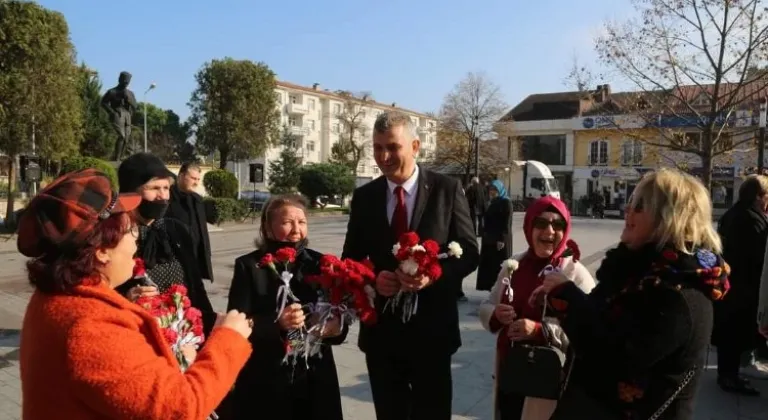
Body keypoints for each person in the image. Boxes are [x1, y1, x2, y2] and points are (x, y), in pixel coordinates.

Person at [17, 168, 253, 419]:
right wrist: (228, 339)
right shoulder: (91, 326)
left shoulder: (60, 297)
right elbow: (181, 408)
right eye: (129, 230)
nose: (136, 239)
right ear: (101, 251)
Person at [537, 168, 730, 420]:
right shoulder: (634, 272)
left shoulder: (678, 292)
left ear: (668, 218)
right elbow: (599, 319)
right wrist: (560, 298)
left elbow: (614, 359)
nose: (628, 212)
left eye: (639, 206)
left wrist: (568, 297)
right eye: (630, 203)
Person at [342, 111, 479, 420]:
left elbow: (469, 253)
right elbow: (349, 260)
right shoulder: (365, 197)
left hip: (432, 335)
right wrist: (373, 280)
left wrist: (433, 277)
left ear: (415, 146)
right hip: (382, 338)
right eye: (377, 148)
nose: (384, 156)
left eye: (392, 147)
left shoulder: (446, 189)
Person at [227, 195, 347, 420]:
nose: (295, 230)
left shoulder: (321, 264)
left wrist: (336, 327)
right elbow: (236, 326)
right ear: (267, 227)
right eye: (286, 222)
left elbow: (339, 314)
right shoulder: (250, 266)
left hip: (315, 376)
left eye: (301, 222)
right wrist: (277, 323)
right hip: (267, 377)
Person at [479, 196, 594, 420]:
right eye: (541, 223)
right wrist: (496, 314)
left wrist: (540, 330)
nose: (549, 231)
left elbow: (591, 328)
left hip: (547, 382)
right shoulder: (514, 264)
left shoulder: (573, 273)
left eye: (557, 224)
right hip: (510, 373)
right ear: (529, 227)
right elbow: (488, 304)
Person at [116, 153, 217, 335]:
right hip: (137, 335)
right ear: (131, 191)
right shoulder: (115, 236)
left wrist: (210, 326)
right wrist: (125, 299)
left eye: (166, 188)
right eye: (154, 188)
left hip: (184, 335)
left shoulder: (176, 230)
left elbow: (196, 287)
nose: (162, 196)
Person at [715, 174, 768, 393]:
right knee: (735, 334)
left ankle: (727, 374)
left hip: (730, 285)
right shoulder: (751, 219)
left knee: (729, 333)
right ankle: (730, 377)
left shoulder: (733, 213)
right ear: (758, 196)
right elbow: (759, 256)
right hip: (743, 287)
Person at [166, 162, 214, 282]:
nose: (196, 183)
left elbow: (202, 232)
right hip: (175, 262)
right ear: (181, 176)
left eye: (198, 179)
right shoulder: (167, 199)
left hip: (196, 262)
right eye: (193, 178)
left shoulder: (197, 201)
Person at [476, 180, 514, 292]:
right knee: (490, 265)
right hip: (489, 239)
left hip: (500, 240)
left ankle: (500, 290)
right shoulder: (493, 202)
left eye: (495, 190)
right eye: (491, 189)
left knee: (499, 265)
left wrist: (502, 239)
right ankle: (491, 289)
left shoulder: (506, 202)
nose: (492, 192)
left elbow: (507, 222)